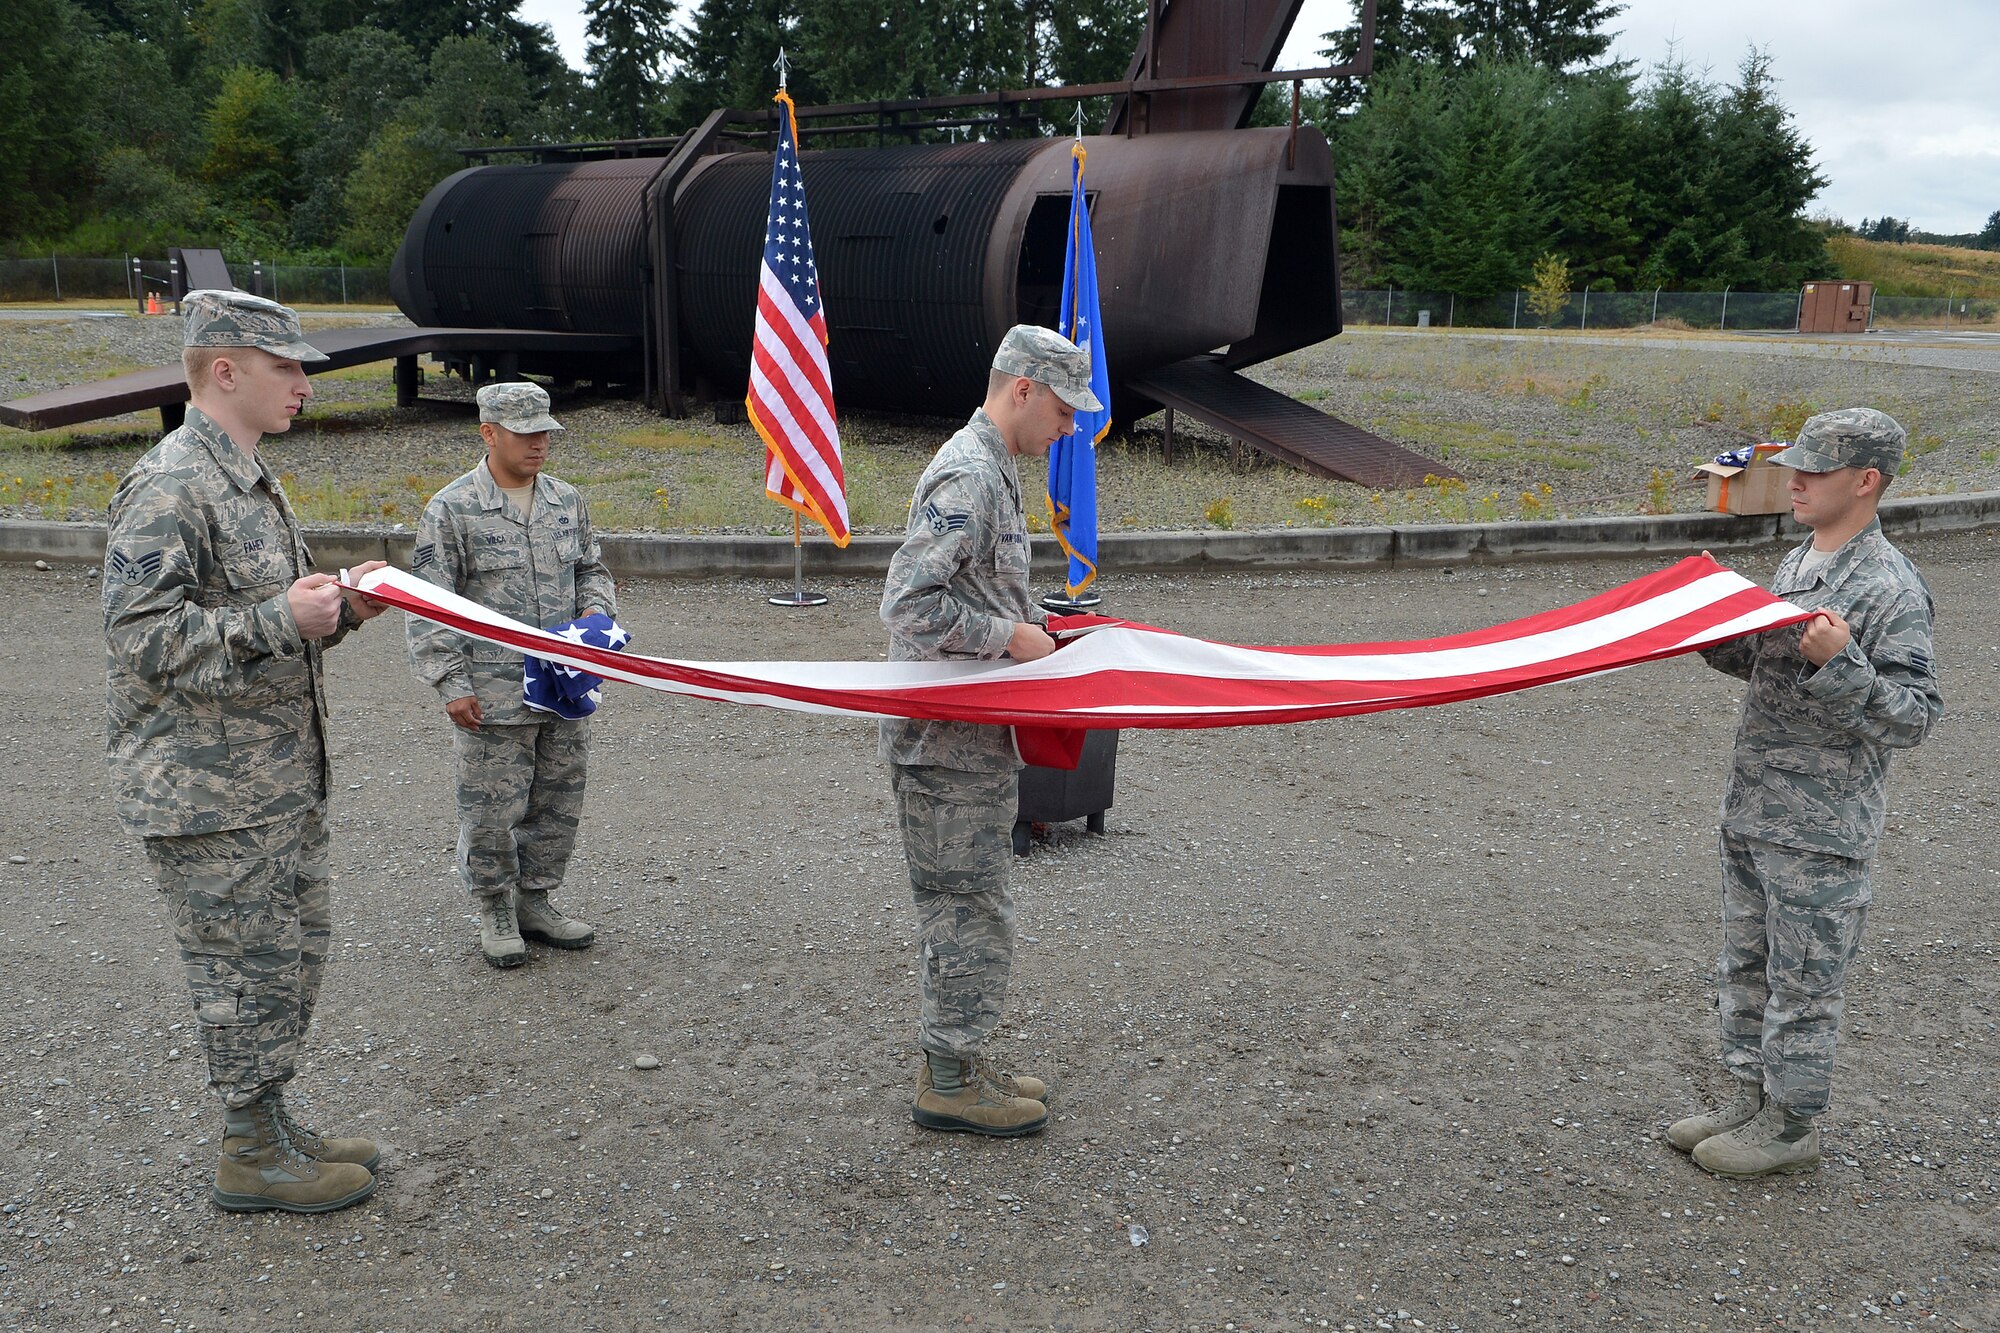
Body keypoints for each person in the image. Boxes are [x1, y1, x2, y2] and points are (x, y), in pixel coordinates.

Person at [104, 290, 389, 1214]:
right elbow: (139, 636)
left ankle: (269, 1117)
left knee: (290, 956)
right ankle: (248, 1153)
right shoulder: (172, 482)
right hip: (207, 792)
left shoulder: (249, 477)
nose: (305, 384)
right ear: (224, 370)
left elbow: (269, 623)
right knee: (242, 971)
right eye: (287, 367)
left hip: (270, 782)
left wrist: (340, 609)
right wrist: (279, 616)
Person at [1669, 408, 1942, 1179]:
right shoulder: (1800, 562)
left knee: (1804, 982)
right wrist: (1710, 627)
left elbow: (1916, 716)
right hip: (1757, 808)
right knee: (1746, 967)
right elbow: (1771, 666)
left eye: (1816, 469)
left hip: (1823, 828)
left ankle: (1791, 1126)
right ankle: (1749, 1098)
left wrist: (1843, 665)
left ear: (1866, 481)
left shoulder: (1890, 587)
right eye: (1797, 465)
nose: (1796, 479)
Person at [880, 325, 1102, 1137]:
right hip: (944, 745)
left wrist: (1043, 622)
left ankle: (960, 1057)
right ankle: (949, 1078)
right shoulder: (971, 475)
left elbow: (978, 588)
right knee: (966, 910)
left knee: (974, 903)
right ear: (1023, 390)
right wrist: (1013, 639)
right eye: (1064, 409)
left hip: (970, 740)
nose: (1070, 427)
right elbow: (907, 605)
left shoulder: (996, 468)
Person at [407, 381, 617, 969]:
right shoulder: (452, 509)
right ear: (489, 433)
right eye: (526, 434)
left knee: (558, 798)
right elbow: (430, 602)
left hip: (564, 684)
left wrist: (598, 612)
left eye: (546, 431)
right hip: (493, 691)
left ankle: (536, 899)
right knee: (492, 806)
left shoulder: (565, 501)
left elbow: (591, 569)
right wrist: (449, 682)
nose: (540, 443)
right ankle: (495, 905)